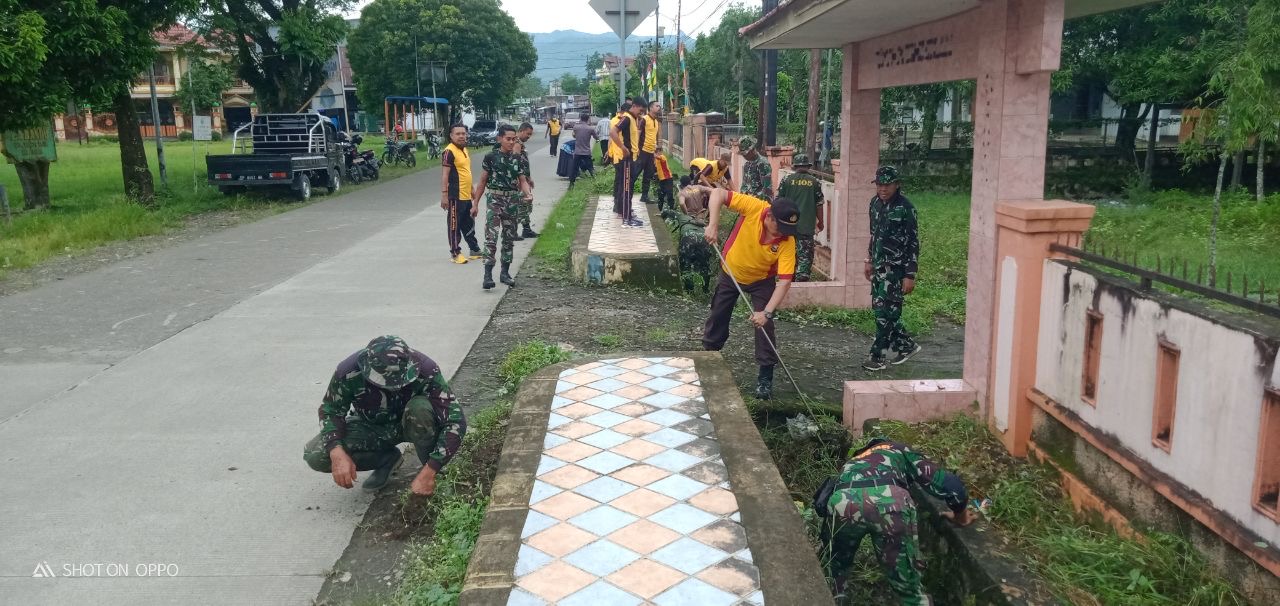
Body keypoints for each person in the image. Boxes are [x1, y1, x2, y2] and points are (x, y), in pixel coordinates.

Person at [817, 438, 974, 605]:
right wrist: (960, 517)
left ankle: (836, 595)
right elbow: (951, 486)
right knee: (906, 581)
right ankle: (913, 600)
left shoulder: (854, 460)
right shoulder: (899, 449)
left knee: (835, 566)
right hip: (891, 503)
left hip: (843, 502)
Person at [304, 335, 467, 494]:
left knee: (420, 408)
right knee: (316, 455)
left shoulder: (425, 369)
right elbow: (331, 410)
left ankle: (430, 473)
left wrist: (432, 468)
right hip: (371, 427)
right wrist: (336, 451)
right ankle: (387, 460)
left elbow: (455, 421)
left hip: (413, 423)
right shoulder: (348, 371)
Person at [698, 185, 799, 399]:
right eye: (779, 227)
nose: (782, 234)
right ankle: (708, 357)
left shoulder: (787, 242)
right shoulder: (755, 208)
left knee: (765, 326)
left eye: (786, 230)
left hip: (762, 280)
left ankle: (765, 378)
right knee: (718, 314)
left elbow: (784, 282)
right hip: (730, 272)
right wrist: (713, 225)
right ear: (770, 216)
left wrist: (767, 313)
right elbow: (718, 193)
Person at [863, 166, 921, 371]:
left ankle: (877, 356)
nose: (883, 189)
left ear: (897, 184)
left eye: (887, 184)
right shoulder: (875, 204)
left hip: (895, 269)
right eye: (879, 185)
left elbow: (913, 243)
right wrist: (868, 260)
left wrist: (910, 274)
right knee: (885, 311)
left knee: (884, 312)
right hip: (878, 266)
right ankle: (906, 345)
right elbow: (874, 235)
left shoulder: (906, 208)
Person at [473, 125, 531, 289]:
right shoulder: (490, 157)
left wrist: (528, 194)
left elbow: (523, 180)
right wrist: (475, 204)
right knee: (491, 238)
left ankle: (505, 273)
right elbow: (482, 181)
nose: (512, 142)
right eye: (508, 139)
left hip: (512, 202)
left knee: (509, 239)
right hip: (495, 200)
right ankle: (487, 275)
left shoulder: (517, 158)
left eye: (514, 139)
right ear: (499, 139)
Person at [776, 153, 825, 281]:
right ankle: (801, 281)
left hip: (787, 227)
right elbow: (819, 205)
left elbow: (778, 203)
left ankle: (788, 279)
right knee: (805, 256)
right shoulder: (815, 182)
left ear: (795, 166)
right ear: (808, 166)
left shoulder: (786, 180)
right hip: (806, 227)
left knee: (789, 254)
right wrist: (821, 222)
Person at [441, 123, 482, 264]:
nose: (461, 136)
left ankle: (474, 249)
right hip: (454, 196)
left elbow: (466, 171)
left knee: (468, 223)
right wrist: (444, 195)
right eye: (458, 134)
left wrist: (472, 190)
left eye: (463, 133)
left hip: (465, 195)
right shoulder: (449, 151)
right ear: (451, 136)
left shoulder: (464, 150)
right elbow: (445, 175)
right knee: (454, 225)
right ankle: (455, 253)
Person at [609, 98, 646, 227]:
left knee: (626, 188)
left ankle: (625, 214)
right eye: (640, 110)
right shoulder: (627, 118)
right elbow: (613, 132)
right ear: (634, 106)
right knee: (626, 188)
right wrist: (623, 148)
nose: (641, 113)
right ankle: (626, 217)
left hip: (632, 159)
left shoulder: (633, 119)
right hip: (627, 160)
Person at [513, 122, 538, 239]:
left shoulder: (520, 143)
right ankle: (512, 231)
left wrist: (529, 178)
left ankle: (526, 229)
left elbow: (523, 163)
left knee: (525, 204)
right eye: (528, 134)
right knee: (521, 204)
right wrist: (520, 180)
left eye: (530, 134)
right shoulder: (516, 144)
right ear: (521, 131)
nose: (529, 136)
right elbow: (516, 163)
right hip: (519, 181)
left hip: (524, 179)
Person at [636, 101, 662, 203]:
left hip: (651, 152)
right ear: (650, 108)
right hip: (642, 151)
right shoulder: (644, 119)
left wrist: (655, 152)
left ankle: (644, 196)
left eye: (659, 106)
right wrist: (637, 149)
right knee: (635, 174)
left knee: (648, 175)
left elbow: (653, 138)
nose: (659, 107)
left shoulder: (656, 121)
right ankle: (625, 195)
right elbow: (638, 133)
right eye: (657, 106)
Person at [570, 114, 598, 187]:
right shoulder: (590, 128)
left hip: (577, 152)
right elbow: (596, 137)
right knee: (590, 167)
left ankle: (571, 184)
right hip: (586, 152)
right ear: (588, 119)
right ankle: (596, 182)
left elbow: (574, 135)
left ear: (580, 119)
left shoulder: (576, 127)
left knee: (574, 168)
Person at [653, 144, 675, 211]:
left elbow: (657, 157)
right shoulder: (655, 160)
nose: (659, 153)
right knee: (661, 195)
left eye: (659, 151)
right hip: (662, 180)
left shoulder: (662, 157)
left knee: (669, 194)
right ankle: (660, 210)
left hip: (668, 178)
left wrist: (651, 150)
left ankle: (671, 209)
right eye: (657, 151)